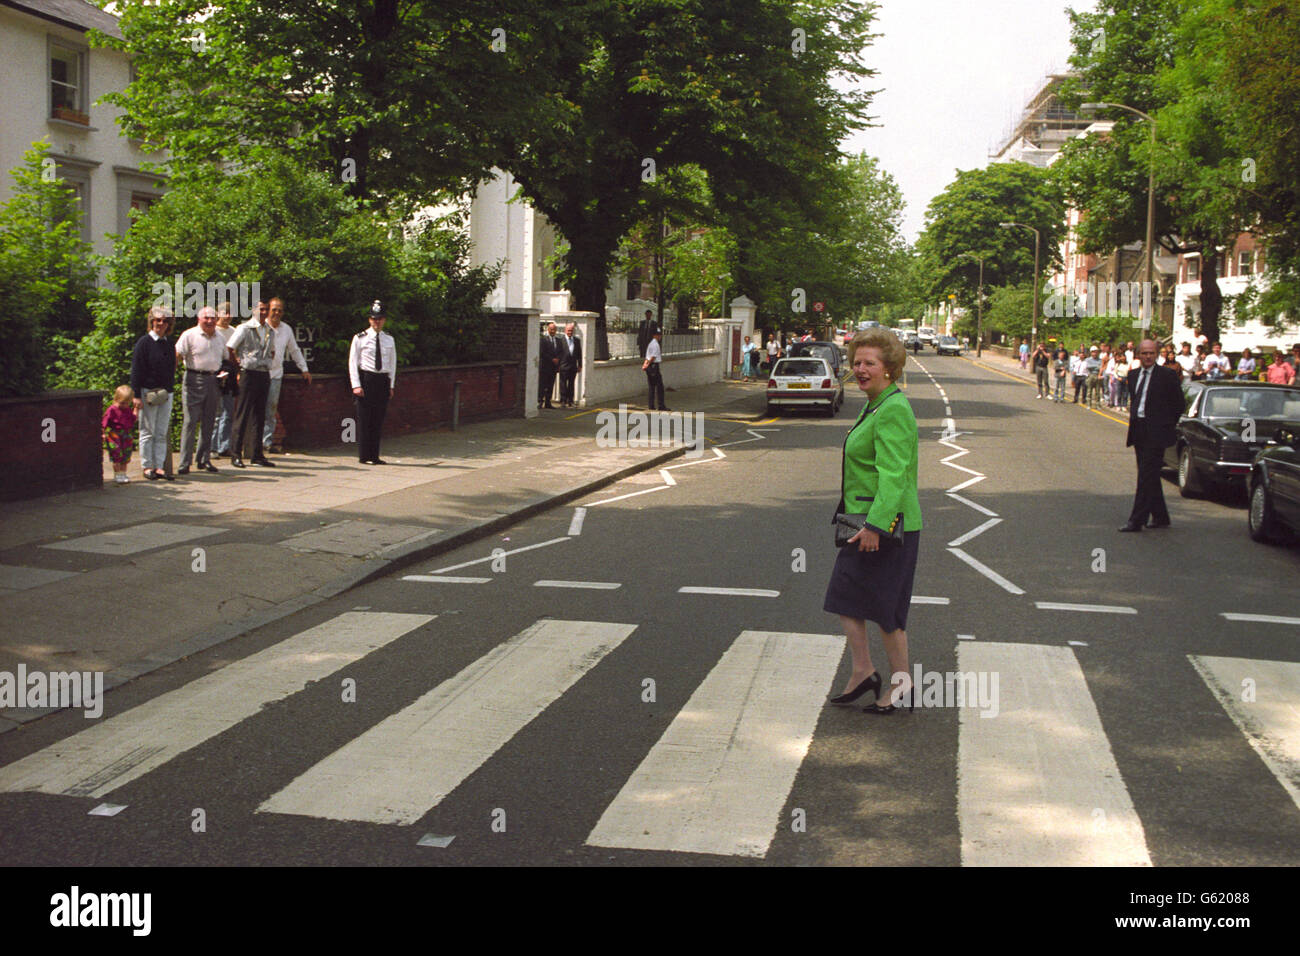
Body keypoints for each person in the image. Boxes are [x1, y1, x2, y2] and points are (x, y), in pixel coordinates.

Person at [824, 328, 922, 714]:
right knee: (846, 597)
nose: (860, 370)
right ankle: (863, 670)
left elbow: (895, 475)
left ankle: (900, 684)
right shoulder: (876, 404)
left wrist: (877, 527)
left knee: (885, 609)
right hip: (860, 520)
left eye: (869, 364)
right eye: (857, 363)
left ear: (889, 369)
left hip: (885, 526)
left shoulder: (893, 408)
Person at [1120, 339, 1183, 532]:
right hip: (1139, 429)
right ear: (1138, 355)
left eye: (1151, 353)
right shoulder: (1133, 374)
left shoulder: (1167, 375)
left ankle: (1136, 520)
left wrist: (1165, 424)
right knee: (1150, 475)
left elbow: (1179, 404)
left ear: (1157, 355)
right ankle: (1161, 516)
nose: (1148, 356)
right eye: (1144, 353)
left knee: (1146, 476)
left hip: (1157, 432)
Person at [174, 306, 226, 475]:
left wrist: (225, 373)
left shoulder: (220, 337)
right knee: (190, 422)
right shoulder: (189, 335)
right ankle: (184, 463)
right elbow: (177, 355)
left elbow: (226, 358)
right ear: (199, 319)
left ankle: (204, 460)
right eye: (206, 318)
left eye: (212, 318)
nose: (210, 321)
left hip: (213, 381)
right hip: (193, 379)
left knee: (209, 421)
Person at [226, 299, 276, 468]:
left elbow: (272, 350)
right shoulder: (244, 328)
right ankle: (235, 454)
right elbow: (230, 348)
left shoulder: (270, 330)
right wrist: (239, 365)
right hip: (248, 373)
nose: (264, 312)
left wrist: (268, 361)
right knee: (243, 413)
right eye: (261, 309)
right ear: (254, 310)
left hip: (263, 373)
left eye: (266, 309)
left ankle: (257, 454)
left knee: (260, 415)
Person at [130, 307, 176, 481]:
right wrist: (136, 395)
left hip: (166, 393)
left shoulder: (169, 343)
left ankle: (159, 466)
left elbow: (172, 368)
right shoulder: (144, 343)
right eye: (157, 320)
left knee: (161, 431)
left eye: (164, 321)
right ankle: (147, 466)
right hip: (147, 392)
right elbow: (136, 370)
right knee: (147, 431)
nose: (161, 324)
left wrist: (169, 389)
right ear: (151, 322)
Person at [348, 299, 397, 464]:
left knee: (378, 419)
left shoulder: (389, 339)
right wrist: (356, 385)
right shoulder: (360, 338)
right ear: (370, 319)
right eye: (374, 319)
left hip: (382, 380)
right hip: (366, 379)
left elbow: (392, 363)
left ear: (384, 320)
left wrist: (391, 385)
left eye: (380, 318)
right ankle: (364, 456)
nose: (377, 322)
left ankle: (374, 456)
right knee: (365, 419)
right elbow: (352, 363)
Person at [263, 297, 312, 451]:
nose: (276, 313)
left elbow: (294, 350)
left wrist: (304, 369)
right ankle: (252, 442)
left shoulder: (286, 329)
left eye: (279, 310)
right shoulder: (259, 327)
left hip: (276, 375)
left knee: (271, 410)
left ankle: (266, 443)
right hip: (258, 374)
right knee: (256, 409)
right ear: (268, 310)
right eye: (274, 309)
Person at [213, 303, 239, 457]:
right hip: (215, 373)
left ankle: (224, 446)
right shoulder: (213, 331)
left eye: (230, 313)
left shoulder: (234, 331)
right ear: (218, 314)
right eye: (225, 312)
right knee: (216, 413)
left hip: (230, 375)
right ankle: (212, 447)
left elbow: (236, 354)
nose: (228, 316)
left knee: (228, 412)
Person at [102, 385, 137, 485]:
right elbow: (104, 422)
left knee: (126, 455)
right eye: (122, 403)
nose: (124, 405)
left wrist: (136, 408)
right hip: (114, 434)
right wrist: (103, 433)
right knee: (116, 454)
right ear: (116, 399)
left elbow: (133, 419)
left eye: (127, 403)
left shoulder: (127, 409)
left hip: (126, 433)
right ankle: (117, 474)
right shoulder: (112, 410)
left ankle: (123, 473)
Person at [643, 328, 668, 410]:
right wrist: (649, 364)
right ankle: (661, 405)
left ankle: (651, 405)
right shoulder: (656, 344)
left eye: (660, 335)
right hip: (654, 366)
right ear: (654, 335)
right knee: (660, 386)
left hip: (650, 366)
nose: (659, 336)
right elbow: (653, 357)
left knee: (651, 386)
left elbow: (647, 356)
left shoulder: (650, 344)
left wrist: (645, 365)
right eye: (658, 335)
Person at [557, 321, 581, 407]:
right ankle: (563, 401)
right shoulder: (561, 341)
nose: (570, 332)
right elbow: (558, 354)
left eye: (571, 331)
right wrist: (558, 366)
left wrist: (580, 365)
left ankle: (570, 401)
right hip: (563, 366)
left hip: (573, 366)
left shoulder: (577, 341)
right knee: (563, 384)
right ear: (565, 331)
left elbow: (579, 354)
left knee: (571, 384)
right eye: (568, 331)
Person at [538, 321, 559, 409]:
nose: (552, 331)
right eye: (551, 329)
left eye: (554, 329)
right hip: (545, 366)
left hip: (554, 367)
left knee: (550, 386)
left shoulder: (558, 340)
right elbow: (542, 353)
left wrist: (558, 359)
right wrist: (551, 359)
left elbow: (561, 352)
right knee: (542, 385)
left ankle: (548, 402)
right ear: (548, 329)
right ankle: (539, 401)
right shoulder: (543, 340)